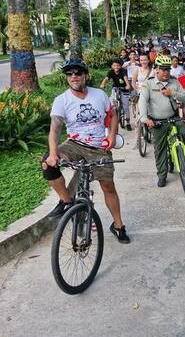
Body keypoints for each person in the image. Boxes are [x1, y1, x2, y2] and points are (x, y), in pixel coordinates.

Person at [41, 59, 130, 243]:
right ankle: (67, 201)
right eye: (69, 74)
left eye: (78, 73)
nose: (74, 76)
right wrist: (52, 154)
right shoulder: (62, 100)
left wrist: (112, 136)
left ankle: (119, 225)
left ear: (86, 75)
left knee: (108, 187)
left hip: (98, 147)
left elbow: (112, 115)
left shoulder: (99, 95)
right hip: (74, 145)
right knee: (46, 163)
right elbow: (55, 130)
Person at [138, 55, 185, 187]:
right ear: (156, 69)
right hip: (157, 121)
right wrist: (145, 119)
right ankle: (162, 175)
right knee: (160, 148)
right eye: (163, 69)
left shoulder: (175, 82)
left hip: (173, 117)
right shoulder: (148, 84)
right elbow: (142, 102)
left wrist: (172, 93)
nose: (166, 72)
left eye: (168, 69)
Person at [100, 59, 132, 131]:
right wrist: (103, 84)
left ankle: (128, 122)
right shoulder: (110, 72)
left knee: (125, 105)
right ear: (112, 66)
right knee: (111, 103)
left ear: (121, 66)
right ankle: (112, 118)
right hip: (115, 88)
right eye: (114, 65)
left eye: (118, 65)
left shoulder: (123, 71)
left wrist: (127, 85)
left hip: (124, 89)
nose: (116, 67)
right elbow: (106, 79)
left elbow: (125, 78)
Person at [131, 54, 154, 149]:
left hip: (151, 97)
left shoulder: (153, 71)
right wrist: (136, 89)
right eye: (141, 60)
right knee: (138, 119)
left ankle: (154, 136)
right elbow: (133, 82)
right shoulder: (137, 70)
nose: (143, 62)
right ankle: (137, 140)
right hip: (140, 97)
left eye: (145, 60)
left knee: (153, 116)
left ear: (148, 60)